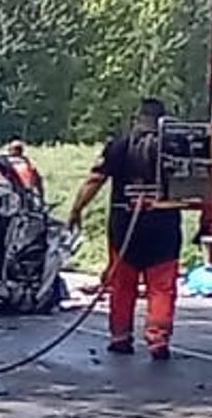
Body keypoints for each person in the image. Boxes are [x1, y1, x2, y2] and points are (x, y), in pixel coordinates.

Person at [63, 96, 185, 361]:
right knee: (161, 288)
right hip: (163, 227)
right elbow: (201, 184)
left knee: (122, 285)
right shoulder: (176, 147)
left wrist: (76, 210)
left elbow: (95, 179)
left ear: (137, 119)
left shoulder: (119, 146)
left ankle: (120, 337)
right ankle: (158, 340)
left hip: (125, 226)